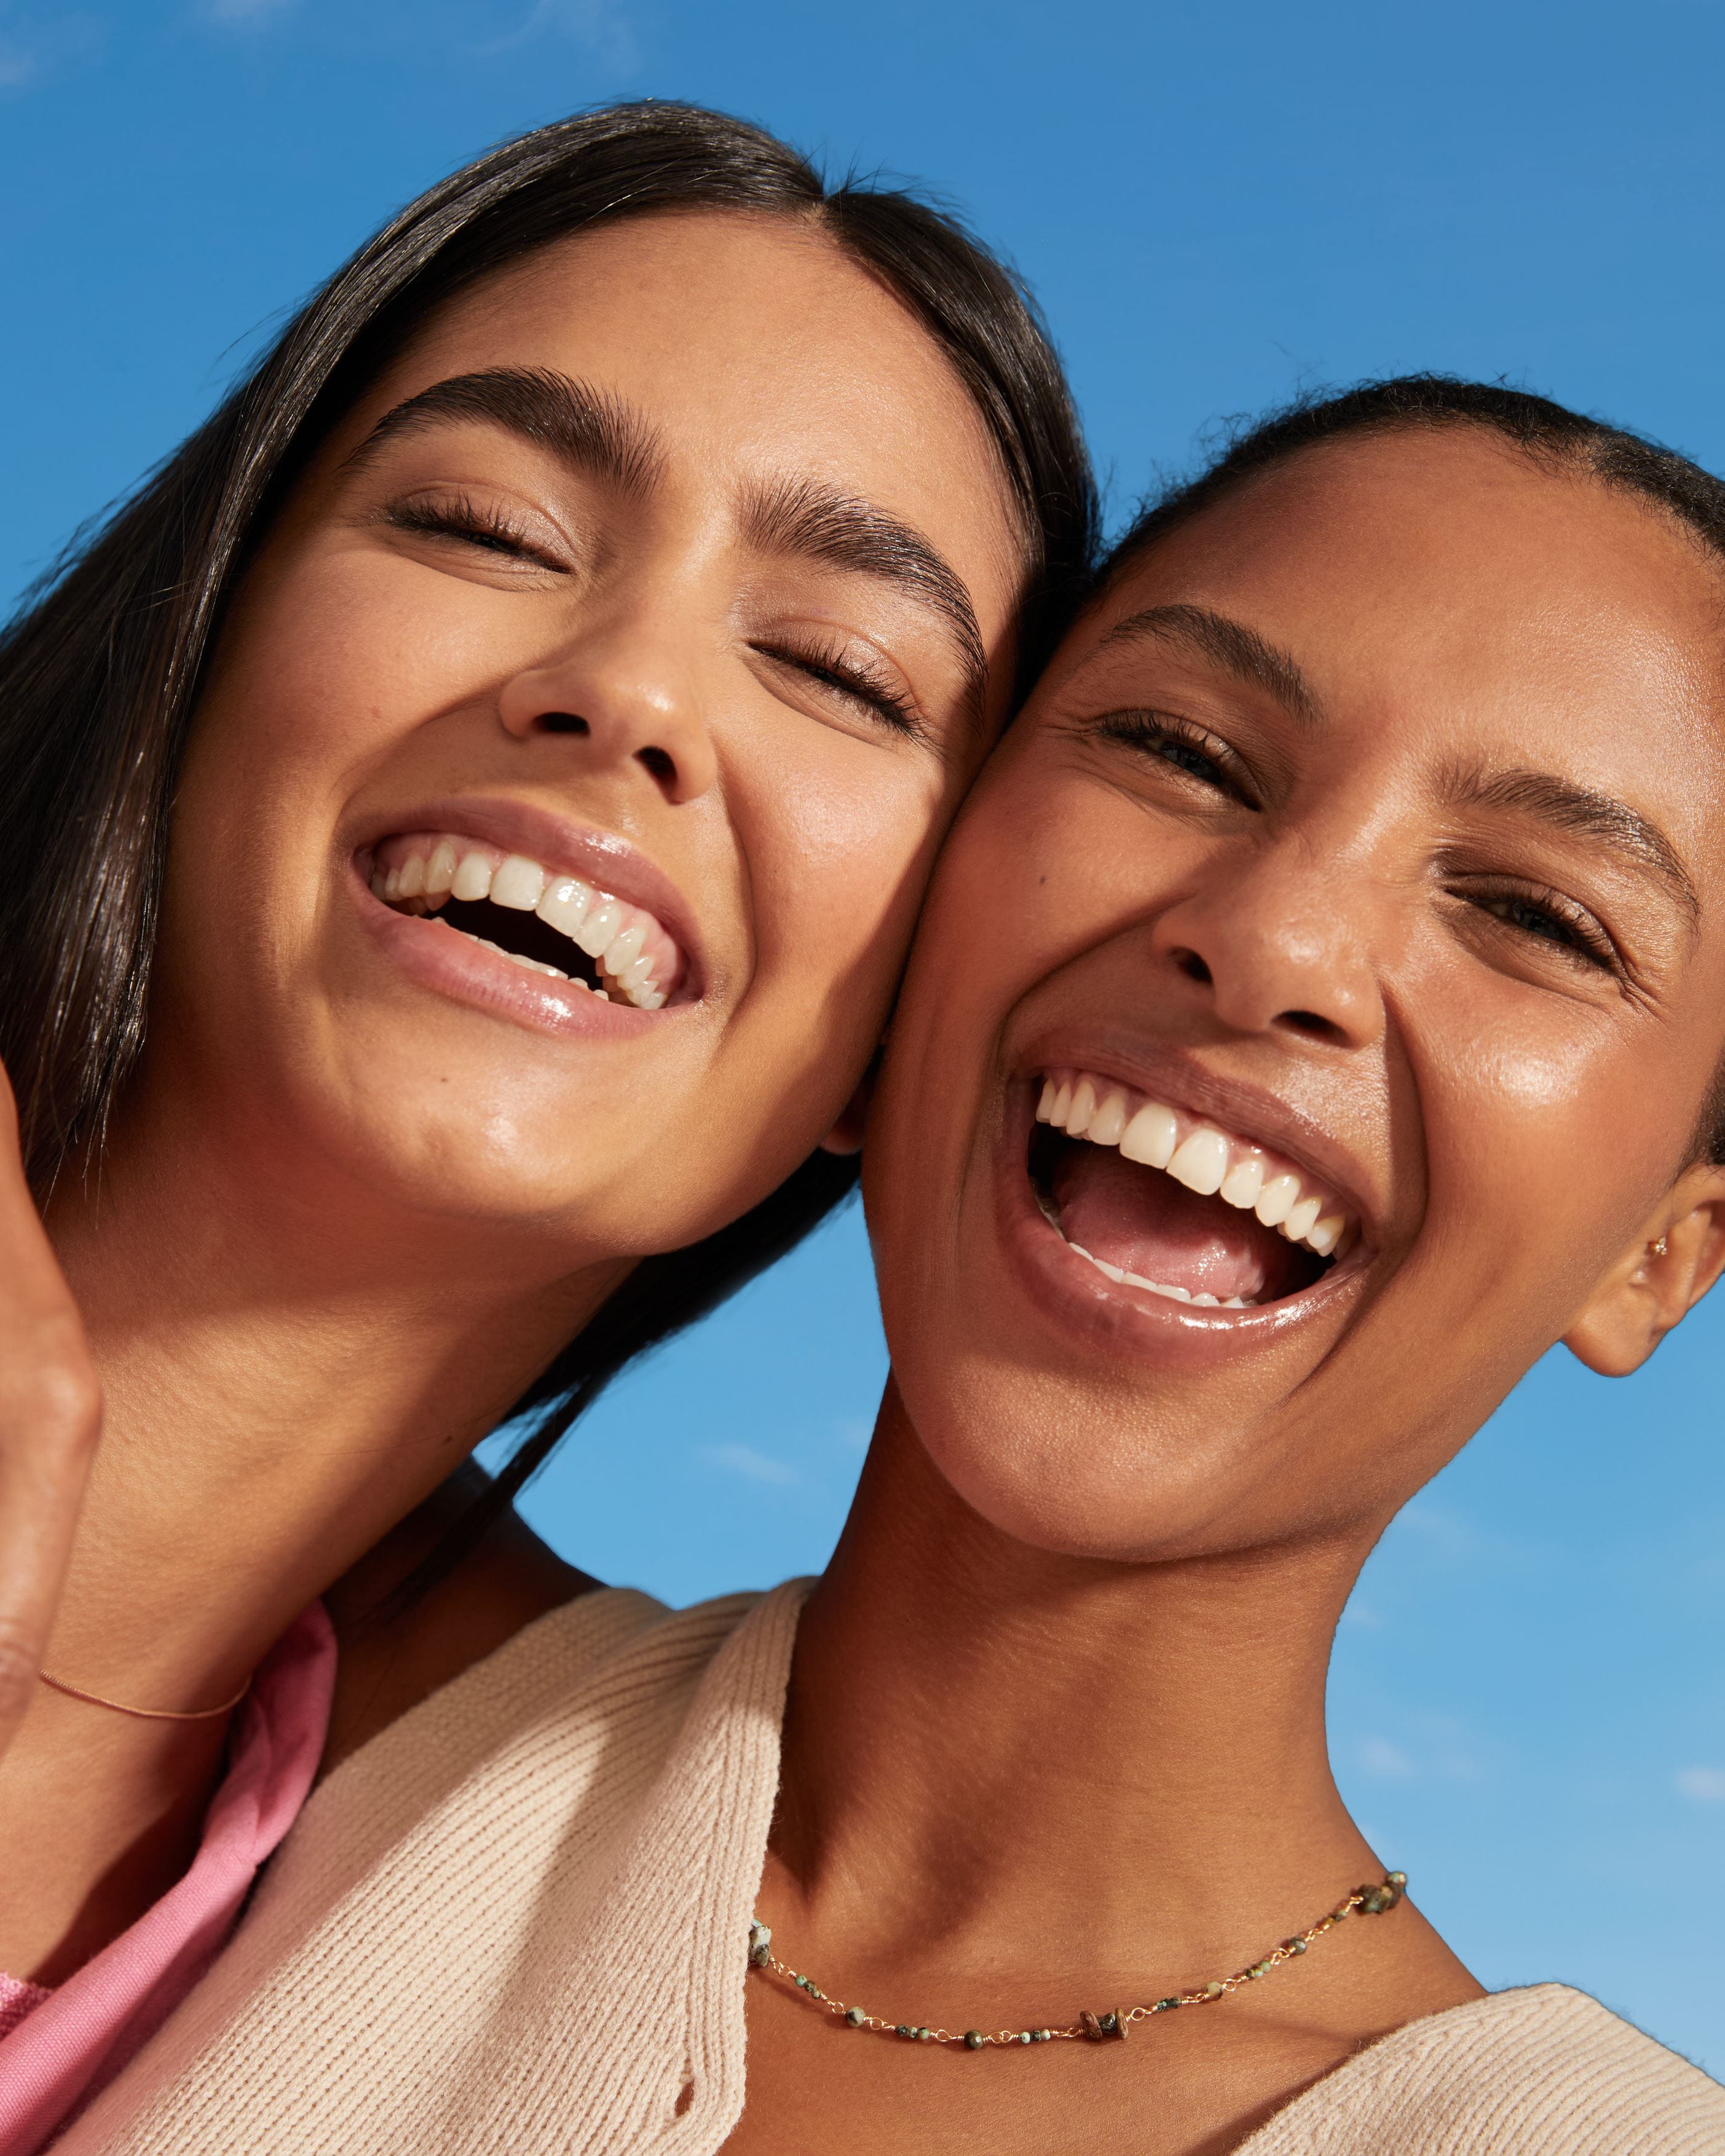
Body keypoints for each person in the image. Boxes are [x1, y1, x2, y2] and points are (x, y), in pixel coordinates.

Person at [55, 376, 1725, 2156]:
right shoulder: (286, 1682)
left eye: (1540, 917)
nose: (1271, 938)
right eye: (1182, 752)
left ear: (1661, 1255)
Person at [0, 99, 1097, 2150]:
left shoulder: (571, 1905)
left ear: (904, 1033)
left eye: (842, 670)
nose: (632, 693)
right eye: (487, 529)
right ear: (207, 625)